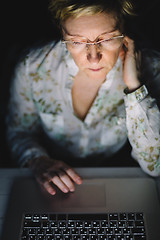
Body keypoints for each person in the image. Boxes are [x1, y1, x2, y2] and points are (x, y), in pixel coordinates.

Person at [7, 0, 160, 196]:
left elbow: (154, 166)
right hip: (50, 187)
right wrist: (38, 160)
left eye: (106, 39)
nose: (93, 57)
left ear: (124, 30)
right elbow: (19, 132)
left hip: (118, 178)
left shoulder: (153, 68)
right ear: (62, 33)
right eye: (77, 41)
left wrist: (134, 87)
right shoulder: (32, 68)